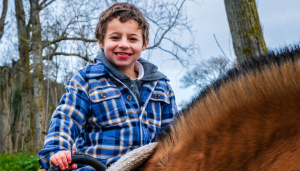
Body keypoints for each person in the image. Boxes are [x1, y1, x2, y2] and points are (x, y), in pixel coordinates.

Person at [38, 2, 178, 171]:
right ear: (101, 41)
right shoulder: (86, 80)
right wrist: (58, 150)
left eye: (132, 38)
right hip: (98, 167)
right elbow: (66, 119)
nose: (124, 44)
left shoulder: (161, 86)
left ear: (144, 43)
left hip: (149, 165)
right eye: (115, 37)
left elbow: (174, 132)